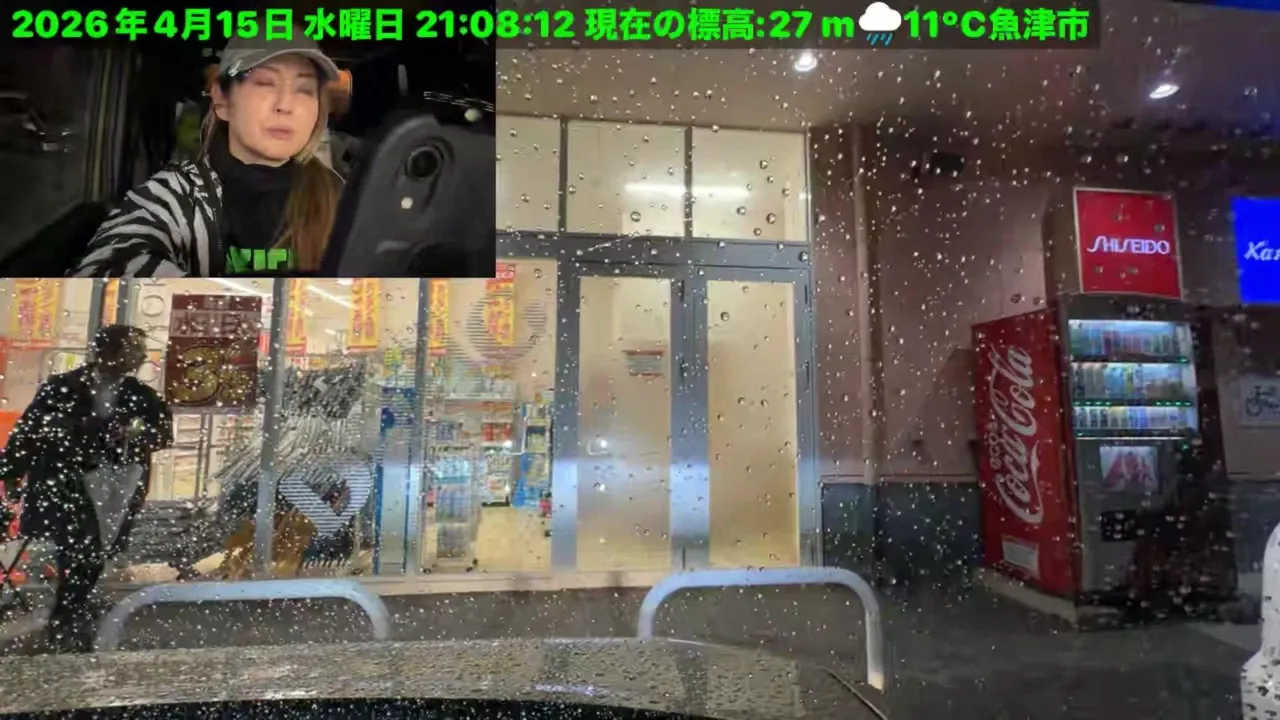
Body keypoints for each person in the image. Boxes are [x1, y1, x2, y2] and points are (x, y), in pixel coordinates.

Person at [69, 33, 344, 278]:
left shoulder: (341, 196)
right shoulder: (177, 193)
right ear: (222, 100)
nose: (286, 105)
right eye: (264, 83)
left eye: (304, 90)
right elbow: (102, 273)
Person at [0, 325, 173, 652]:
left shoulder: (141, 395)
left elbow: (162, 434)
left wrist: (135, 432)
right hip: (67, 482)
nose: (140, 357)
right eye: (133, 350)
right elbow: (30, 430)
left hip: (116, 487)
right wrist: (12, 473)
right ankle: (67, 618)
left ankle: (68, 614)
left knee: (93, 551)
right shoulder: (62, 387)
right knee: (80, 547)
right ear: (108, 352)